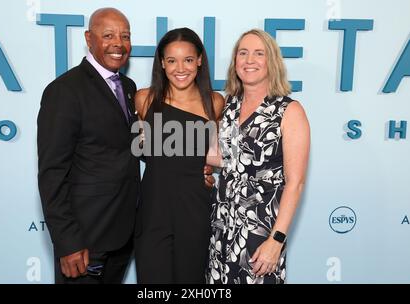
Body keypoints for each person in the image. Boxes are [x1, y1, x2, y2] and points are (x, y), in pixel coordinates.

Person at [37, 8, 139, 284]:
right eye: (108, 35)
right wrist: (67, 241)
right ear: (89, 38)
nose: (118, 43)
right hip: (84, 240)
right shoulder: (65, 90)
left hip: (121, 235)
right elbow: (52, 173)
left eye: (125, 36)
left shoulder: (128, 87)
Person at [205, 29, 310, 284]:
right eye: (243, 53)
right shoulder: (228, 105)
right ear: (235, 62)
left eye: (258, 53)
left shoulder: (289, 110)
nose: (249, 60)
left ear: (271, 61)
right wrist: (159, 144)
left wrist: (276, 240)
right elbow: (226, 158)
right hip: (222, 228)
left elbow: (294, 183)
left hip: (261, 233)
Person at [133, 27, 225, 283]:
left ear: (199, 60)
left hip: (195, 209)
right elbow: (136, 151)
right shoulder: (144, 99)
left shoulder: (215, 102)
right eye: (171, 60)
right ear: (162, 63)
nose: (180, 68)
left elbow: (218, 156)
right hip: (153, 211)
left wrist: (212, 174)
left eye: (187, 59)